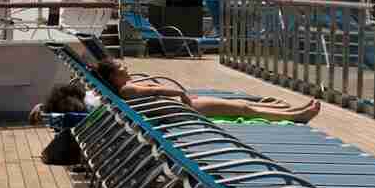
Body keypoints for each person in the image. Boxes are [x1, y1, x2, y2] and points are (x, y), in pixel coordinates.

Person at [93, 58, 320, 123]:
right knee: (244, 108)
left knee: (244, 106)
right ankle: (296, 116)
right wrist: (179, 94)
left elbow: (153, 90)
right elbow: (155, 92)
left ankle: (288, 110)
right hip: (186, 108)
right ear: (114, 75)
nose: (126, 67)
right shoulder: (128, 89)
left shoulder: (125, 88)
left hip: (183, 106)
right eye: (121, 67)